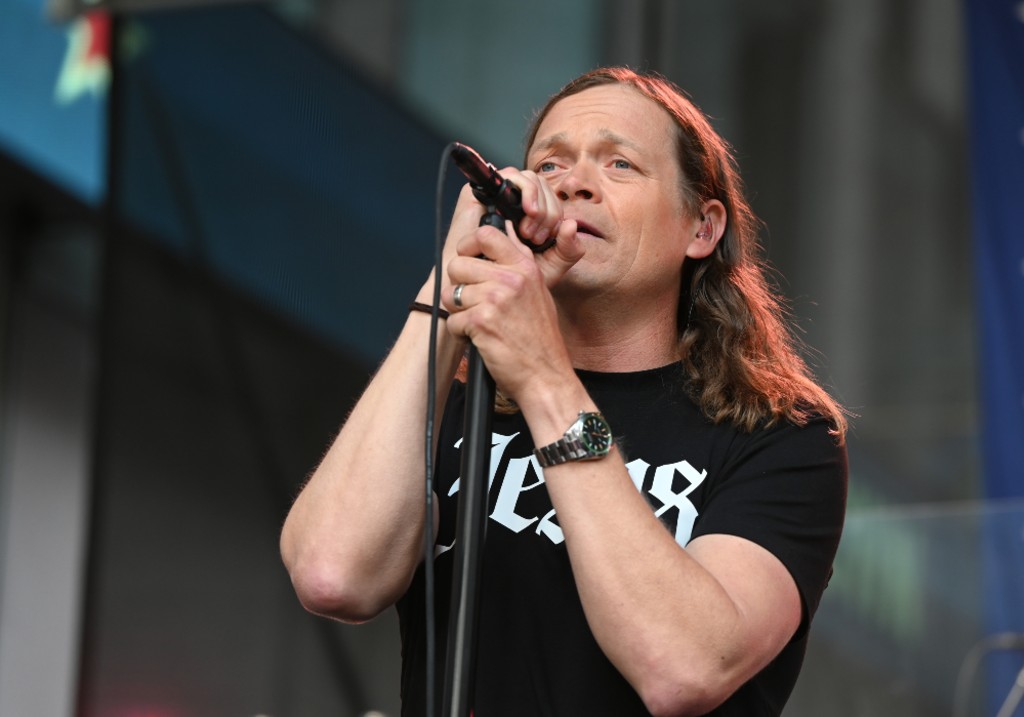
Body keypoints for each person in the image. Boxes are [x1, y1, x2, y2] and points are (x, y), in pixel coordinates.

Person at [280, 67, 848, 717]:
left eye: (619, 163)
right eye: (550, 164)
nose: (574, 182)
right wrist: (451, 284)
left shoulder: (782, 439)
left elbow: (683, 665)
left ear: (702, 227)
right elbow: (332, 573)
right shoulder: (460, 408)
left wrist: (546, 378)